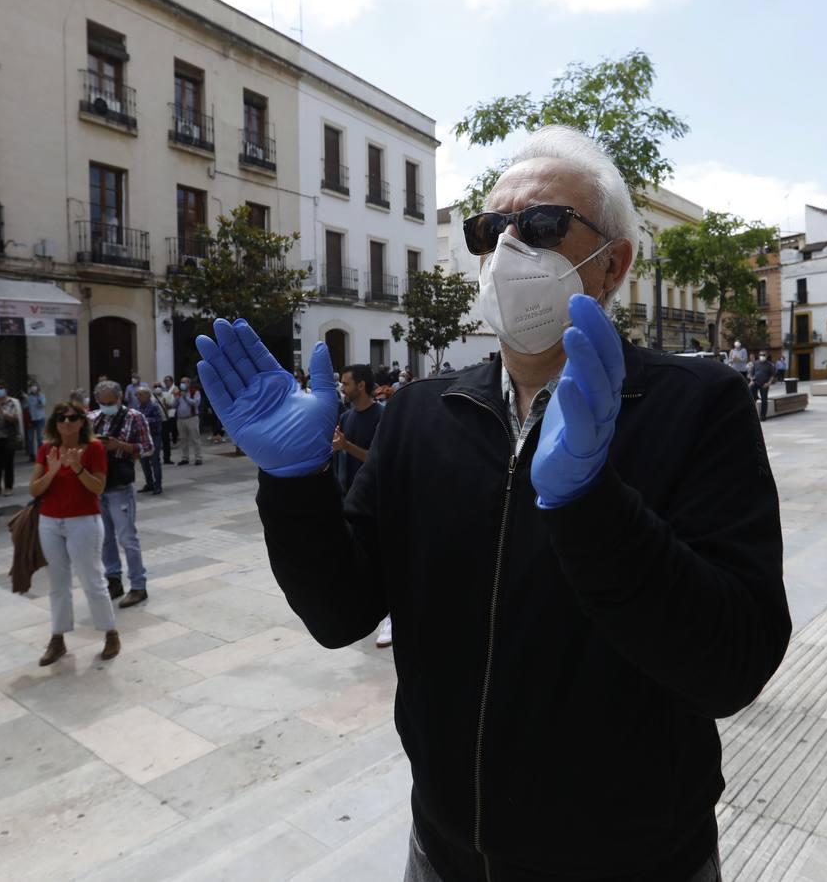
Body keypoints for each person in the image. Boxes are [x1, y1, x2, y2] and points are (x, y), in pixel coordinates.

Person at [196, 125, 789, 882]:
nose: (510, 250)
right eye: (490, 230)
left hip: (634, 860)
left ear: (612, 264)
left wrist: (592, 504)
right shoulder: (420, 413)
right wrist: (293, 487)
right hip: (443, 852)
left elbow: (733, 665)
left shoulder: (699, 404)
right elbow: (339, 611)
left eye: (541, 225)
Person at [28, 401, 120, 666]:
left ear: (82, 422)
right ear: (54, 423)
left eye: (71, 418)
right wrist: (53, 471)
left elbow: (98, 488)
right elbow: (34, 490)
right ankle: (57, 638)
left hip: (83, 522)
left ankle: (110, 632)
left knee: (92, 578)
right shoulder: (47, 449)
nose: (66, 422)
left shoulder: (94, 448)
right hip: (50, 522)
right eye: (60, 418)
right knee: (57, 583)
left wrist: (78, 467)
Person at [334, 364, 391, 647]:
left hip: (377, 499)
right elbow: (340, 456)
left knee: (386, 557)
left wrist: (346, 447)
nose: (342, 389)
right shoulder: (345, 417)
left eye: (346, 383)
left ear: (361, 385)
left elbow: (377, 459)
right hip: (350, 497)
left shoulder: (383, 416)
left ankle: (392, 615)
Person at [90, 380, 153, 607]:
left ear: (119, 399)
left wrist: (120, 446)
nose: (107, 406)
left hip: (120, 486)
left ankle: (138, 586)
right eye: (102, 402)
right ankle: (113, 580)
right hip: (97, 487)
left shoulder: (134, 417)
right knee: (105, 539)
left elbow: (148, 448)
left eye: (111, 402)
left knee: (127, 538)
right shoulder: (92, 419)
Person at [134, 387, 164, 495]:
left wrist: (144, 420)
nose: (138, 397)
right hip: (142, 438)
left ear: (147, 395)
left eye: (140, 395)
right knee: (144, 462)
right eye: (137, 395)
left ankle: (158, 485)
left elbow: (158, 420)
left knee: (155, 461)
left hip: (154, 436)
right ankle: (149, 483)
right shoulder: (138, 407)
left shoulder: (154, 406)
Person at [175, 376, 203, 465]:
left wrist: (186, 398)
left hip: (192, 418)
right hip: (181, 419)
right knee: (183, 439)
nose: (182, 384)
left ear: (189, 383)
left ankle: (198, 458)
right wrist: (175, 398)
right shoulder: (179, 393)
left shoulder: (195, 392)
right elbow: (174, 405)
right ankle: (185, 458)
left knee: (195, 439)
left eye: (184, 382)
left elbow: (196, 403)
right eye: (181, 382)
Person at [152, 382, 177, 465]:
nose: (157, 388)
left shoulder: (167, 395)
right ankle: (155, 459)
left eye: (159, 386)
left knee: (166, 441)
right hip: (155, 422)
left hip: (165, 421)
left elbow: (172, 406)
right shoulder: (151, 397)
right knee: (155, 442)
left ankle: (167, 458)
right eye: (155, 386)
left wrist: (166, 403)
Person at [23, 379, 47, 460]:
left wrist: (38, 396)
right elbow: (25, 407)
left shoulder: (41, 395)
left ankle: (41, 455)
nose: (33, 388)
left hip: (40, 418)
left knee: (40, 438)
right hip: (30, 419)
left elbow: (42, 404)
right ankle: (31, 455)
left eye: (34, 386)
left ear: (37, 387)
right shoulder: (28, 396)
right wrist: (26, 400)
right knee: (30, 438)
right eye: (31, 386)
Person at [748, 351, 775, 420]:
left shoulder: (769, 364)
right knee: (750, 392)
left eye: (763, 355)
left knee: (764, 399)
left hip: (764, 384)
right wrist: (751, 380)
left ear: (766, 356)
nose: (762, 356)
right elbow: (751, 374)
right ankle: (751, 413)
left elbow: (772, 375)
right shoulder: (755, 363)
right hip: (755, 382)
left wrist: (768, 383)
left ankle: (763, 416)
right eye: (760, 355)